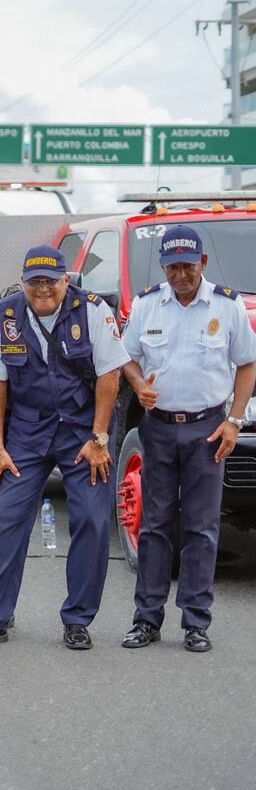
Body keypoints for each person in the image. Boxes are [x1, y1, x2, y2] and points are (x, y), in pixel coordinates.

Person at [0, 245, 130, 651]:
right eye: (34, 281)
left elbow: (110, 375)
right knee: (5, 519)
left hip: (81, 433)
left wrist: (99, 437)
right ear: (23, 282)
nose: (42, 288)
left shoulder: (92, 311)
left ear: (65, 280)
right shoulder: (4, 315)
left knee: (91, 519)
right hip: (27, 433)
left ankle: (77, 619)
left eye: (50, 280)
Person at [119, 226, 256, 653]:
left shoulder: (227, 307)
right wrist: (139, 386)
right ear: (163, 266)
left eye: (187, 265)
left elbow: (247, 366)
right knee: (155, 526)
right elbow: (127, 359)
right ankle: (147, 619)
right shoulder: (146, 305)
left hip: (208, 430)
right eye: (172, 266)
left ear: (203, 263)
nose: (181, 274)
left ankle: (196, 622)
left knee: (201, 528)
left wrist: (234, 420)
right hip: (157, 428)